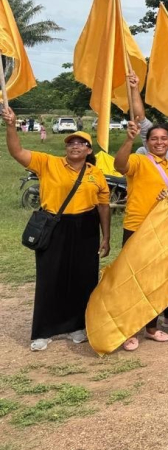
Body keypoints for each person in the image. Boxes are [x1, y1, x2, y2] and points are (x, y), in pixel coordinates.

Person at [3, 109, 110, 351]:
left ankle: (77, 326)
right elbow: (17, 152)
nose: (75, 146)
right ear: (66, 148)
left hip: (86, 227)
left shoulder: (97, 174)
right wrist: (11, 125)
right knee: (50, 277)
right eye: (71, 142)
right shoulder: (48, 162)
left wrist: (106, 237)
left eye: (81, 143)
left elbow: (104, 206)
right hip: (55, 225)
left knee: (83, 278)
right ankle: (44, 331)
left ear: (89, 151)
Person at [114, 120, 168, 347]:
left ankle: (151, 327)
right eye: (154, 138)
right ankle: (127, 331)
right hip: (137, 228)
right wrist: (129, 139)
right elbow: (120, 165)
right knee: (132, 281)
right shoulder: (139, 160)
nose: (159, 142)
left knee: (154, 281)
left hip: (159, 230)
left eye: (163, 138)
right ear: (147, 142)